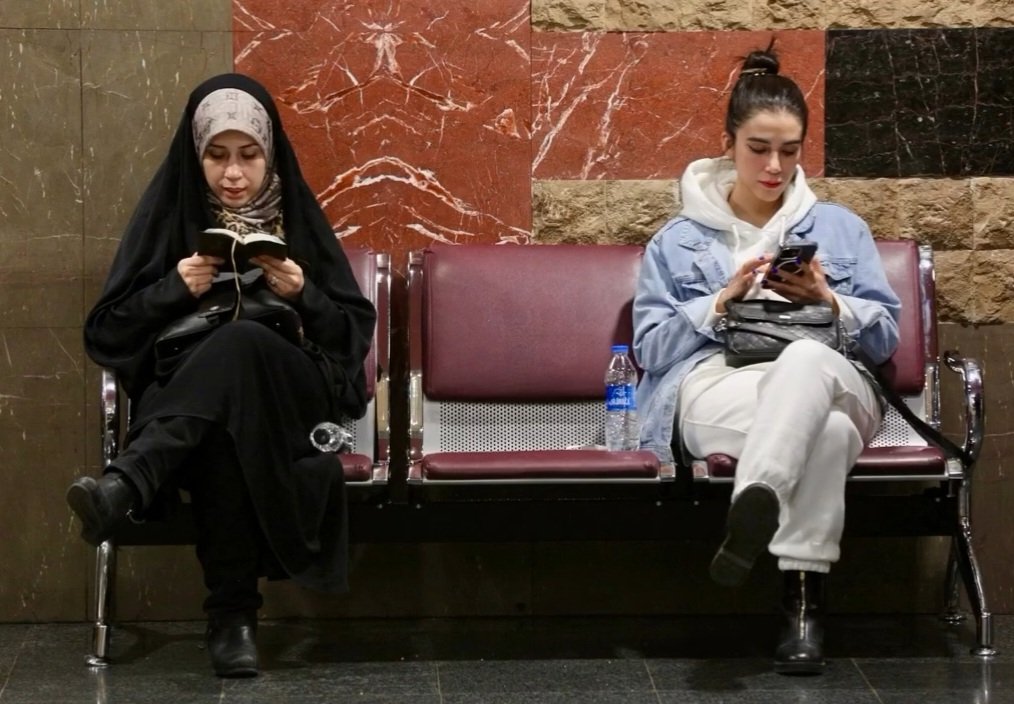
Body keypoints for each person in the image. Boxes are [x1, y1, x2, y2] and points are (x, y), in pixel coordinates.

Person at [65, 73, 376, 678]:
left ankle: (128, 482)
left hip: (291, 394)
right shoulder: (169, 220)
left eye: (248, 155)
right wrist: (171, 290)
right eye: (217, 156)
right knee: (222, 429)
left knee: (240, 342)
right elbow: (104, 334)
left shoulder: (299, 222)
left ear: (270, 154)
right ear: (196, 156)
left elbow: (351, 339)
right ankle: (232, 625)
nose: (233, 174)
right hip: (201, 407)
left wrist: (305, 294)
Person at [632, 45, 901, 675]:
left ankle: (756, 497)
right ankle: (802, 612)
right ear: (728, 144)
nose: (774, 166)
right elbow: (649, 350)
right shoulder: (677, 241)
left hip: (832, 374)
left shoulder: (840, 229)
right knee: (826, 433)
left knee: (805, 361)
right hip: (721, 383)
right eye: (758, 148)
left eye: (790, 150)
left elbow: (887, 338)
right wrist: (718, 302)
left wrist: (829, 300)